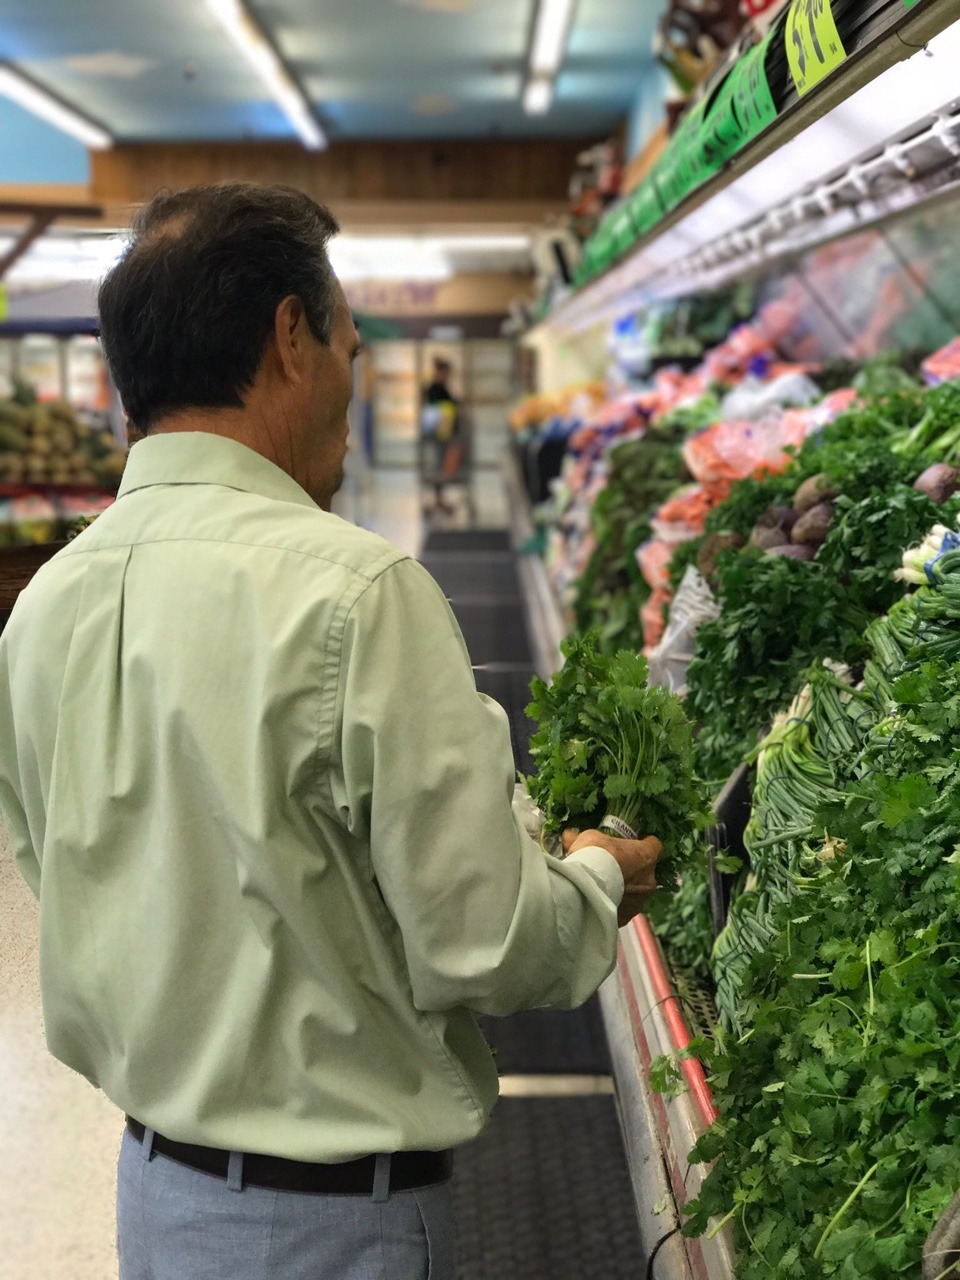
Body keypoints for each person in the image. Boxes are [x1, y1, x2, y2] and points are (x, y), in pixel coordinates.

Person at [0, 182, 662, 1280]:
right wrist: (595, 876)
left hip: (155, 1199)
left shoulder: (42, 610)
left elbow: (62, 873)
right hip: (331, 1227)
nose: (354, 384)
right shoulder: (356, 594)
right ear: (290, 337)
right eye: (350, 347)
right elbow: (485, 940)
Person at [421, 356, 461, 514]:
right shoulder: (435, 389)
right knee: (439, 466)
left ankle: (440, 497)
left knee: (441, 466)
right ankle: (438, 498)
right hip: (440, 434)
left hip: (444, 434)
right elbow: (442, 409)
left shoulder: (438, 388)